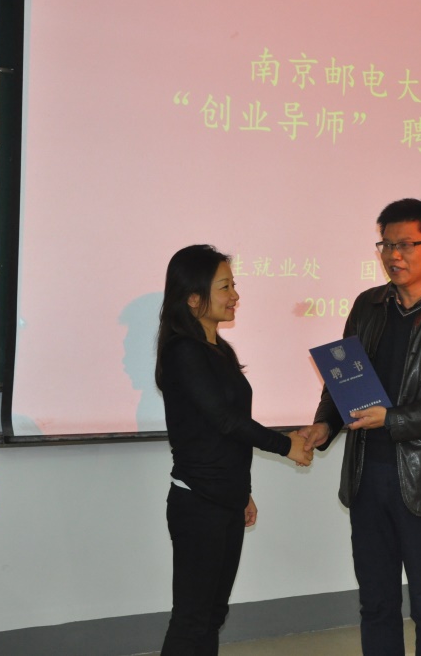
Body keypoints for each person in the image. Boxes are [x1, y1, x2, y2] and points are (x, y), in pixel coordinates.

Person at [298, 199, 421, 656]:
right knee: (376, 604)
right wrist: (325, 424)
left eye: (405, 244)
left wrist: (393, 419)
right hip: (367, 475)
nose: (393, 255)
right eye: (386, 244)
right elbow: (344, 380)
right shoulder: (369, 305)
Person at [156, 244, 313, 655]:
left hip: (225, 498)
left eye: (233, 285)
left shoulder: (220, 351)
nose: (235, 296)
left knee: (213, 614)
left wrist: (242, 491)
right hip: (198, 503)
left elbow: (228, 433)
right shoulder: (183, 351)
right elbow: (223, 420)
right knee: (191, 619)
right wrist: (287, 446)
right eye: (225, 287)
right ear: (194, 298)